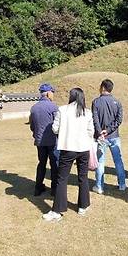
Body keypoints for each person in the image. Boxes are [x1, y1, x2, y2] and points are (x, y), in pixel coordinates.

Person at [42, 88, 94, 222]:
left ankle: (57, 210)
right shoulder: (87, 112)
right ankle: (83, 206)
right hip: (83, 149)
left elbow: (55, 128)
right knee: (83, 177)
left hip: (68, 147)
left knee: (62, 179)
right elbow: (91, 131)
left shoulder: (62, 110)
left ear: (71, 96)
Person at [92, 79, 127, 193]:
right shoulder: (117, 102)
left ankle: (99, 186)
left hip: (101, 137)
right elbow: (119, 120)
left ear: (102, 87)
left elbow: (95, 120)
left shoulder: (96, 102)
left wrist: (100, 132)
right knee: (118, 161)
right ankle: (122, 184)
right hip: (114, 135)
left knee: (100, 161)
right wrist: (109, 130)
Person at [29, 83, 59, 196]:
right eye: (52, 92)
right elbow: (57, 124)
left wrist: (36, 134)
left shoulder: (34, 107)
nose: (53, 94)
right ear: (47, 93)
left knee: (41, 163)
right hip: (52, 141)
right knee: (54, 164)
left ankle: (38, 187)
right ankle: (54, 189)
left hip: (39, 141)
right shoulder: (53, 107)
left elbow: (32, 126)